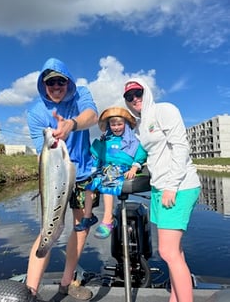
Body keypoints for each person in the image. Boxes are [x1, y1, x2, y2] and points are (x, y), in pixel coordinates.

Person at [26, 57, 99, 301]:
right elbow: (41, 152)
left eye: (61, 81)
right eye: (50, 83)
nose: (56, 87)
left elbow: (93, 116)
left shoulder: (82, 95)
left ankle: (67, 283)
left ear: (68, 82)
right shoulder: (36, 112)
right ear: (43, 85)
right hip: (55, 176)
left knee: (81, 228)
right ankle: (30, 291)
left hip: (84, 174)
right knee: (48, 227)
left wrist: (72, 124)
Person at [123, 80, 201, 302]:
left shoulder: (164, 110)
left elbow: (180, 147)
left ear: (146, 92)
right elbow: (145, 154)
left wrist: (171, 186)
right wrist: (136, 166)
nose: (135, 99)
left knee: (167, 252)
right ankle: (175, 298)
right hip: (159, 189)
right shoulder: (139, 125)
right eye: (129, 97)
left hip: (179, 186)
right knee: (174, 251)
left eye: (138, 93)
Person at [74, 107, 148, 239]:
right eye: (113, 124)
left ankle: (108, 219)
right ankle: (88, 216)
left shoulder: (133, 141)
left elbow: (141, 155)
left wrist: (134, 168)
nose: (116, 127)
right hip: (107, 168)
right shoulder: (106, 140)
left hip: (122, 168)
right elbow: (96, 156)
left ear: (125, 124)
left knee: (109, 179)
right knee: (89, 183)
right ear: (109, 126)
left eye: (119, 124)